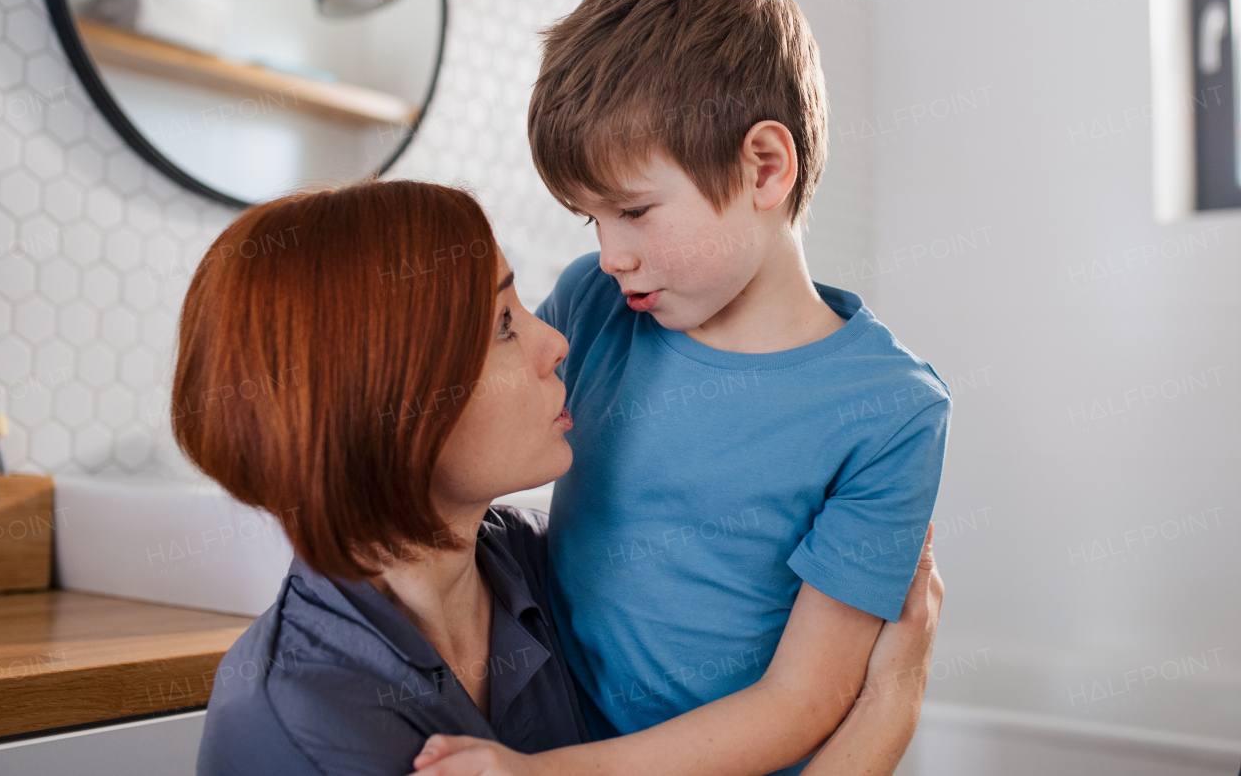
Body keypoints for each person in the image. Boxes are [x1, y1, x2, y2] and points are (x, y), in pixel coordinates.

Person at [181, 180, 942, 776]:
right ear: (392, 407)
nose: (556, 340)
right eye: (504, 325)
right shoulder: (303, 723)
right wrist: (887, 711)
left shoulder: (535, 574)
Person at [413, 0, 952, 776]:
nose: (612, 254)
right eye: (590, 219)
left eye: (632, 211)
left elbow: (802, 702)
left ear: (764, 167)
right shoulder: (595, 304)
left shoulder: (889, 412)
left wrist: (542, 775)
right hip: (555, 721)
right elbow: (464, 428)